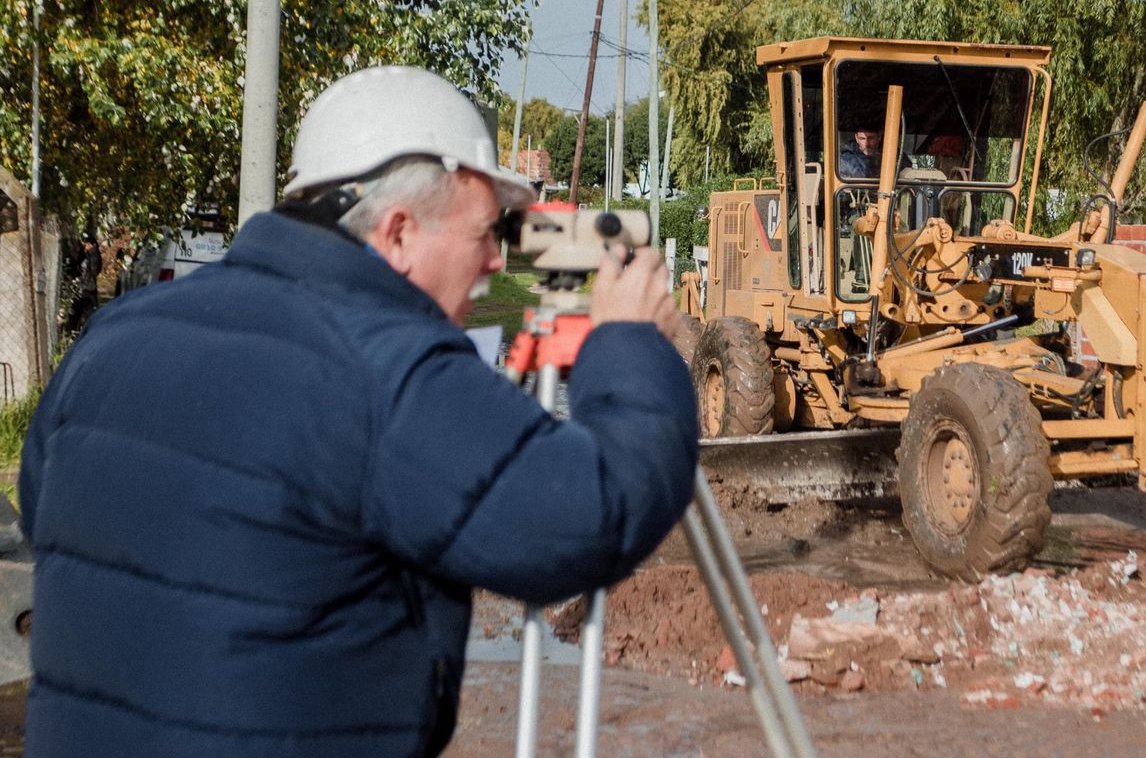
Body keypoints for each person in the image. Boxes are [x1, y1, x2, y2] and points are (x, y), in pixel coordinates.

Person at [19, 66, 699, 758]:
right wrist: (628, 342)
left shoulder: (115, 335)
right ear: (398, 232)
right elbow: (589, 515)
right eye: (484, 234)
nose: (499, 261)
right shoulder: (389, 368)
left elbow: (49, 510)